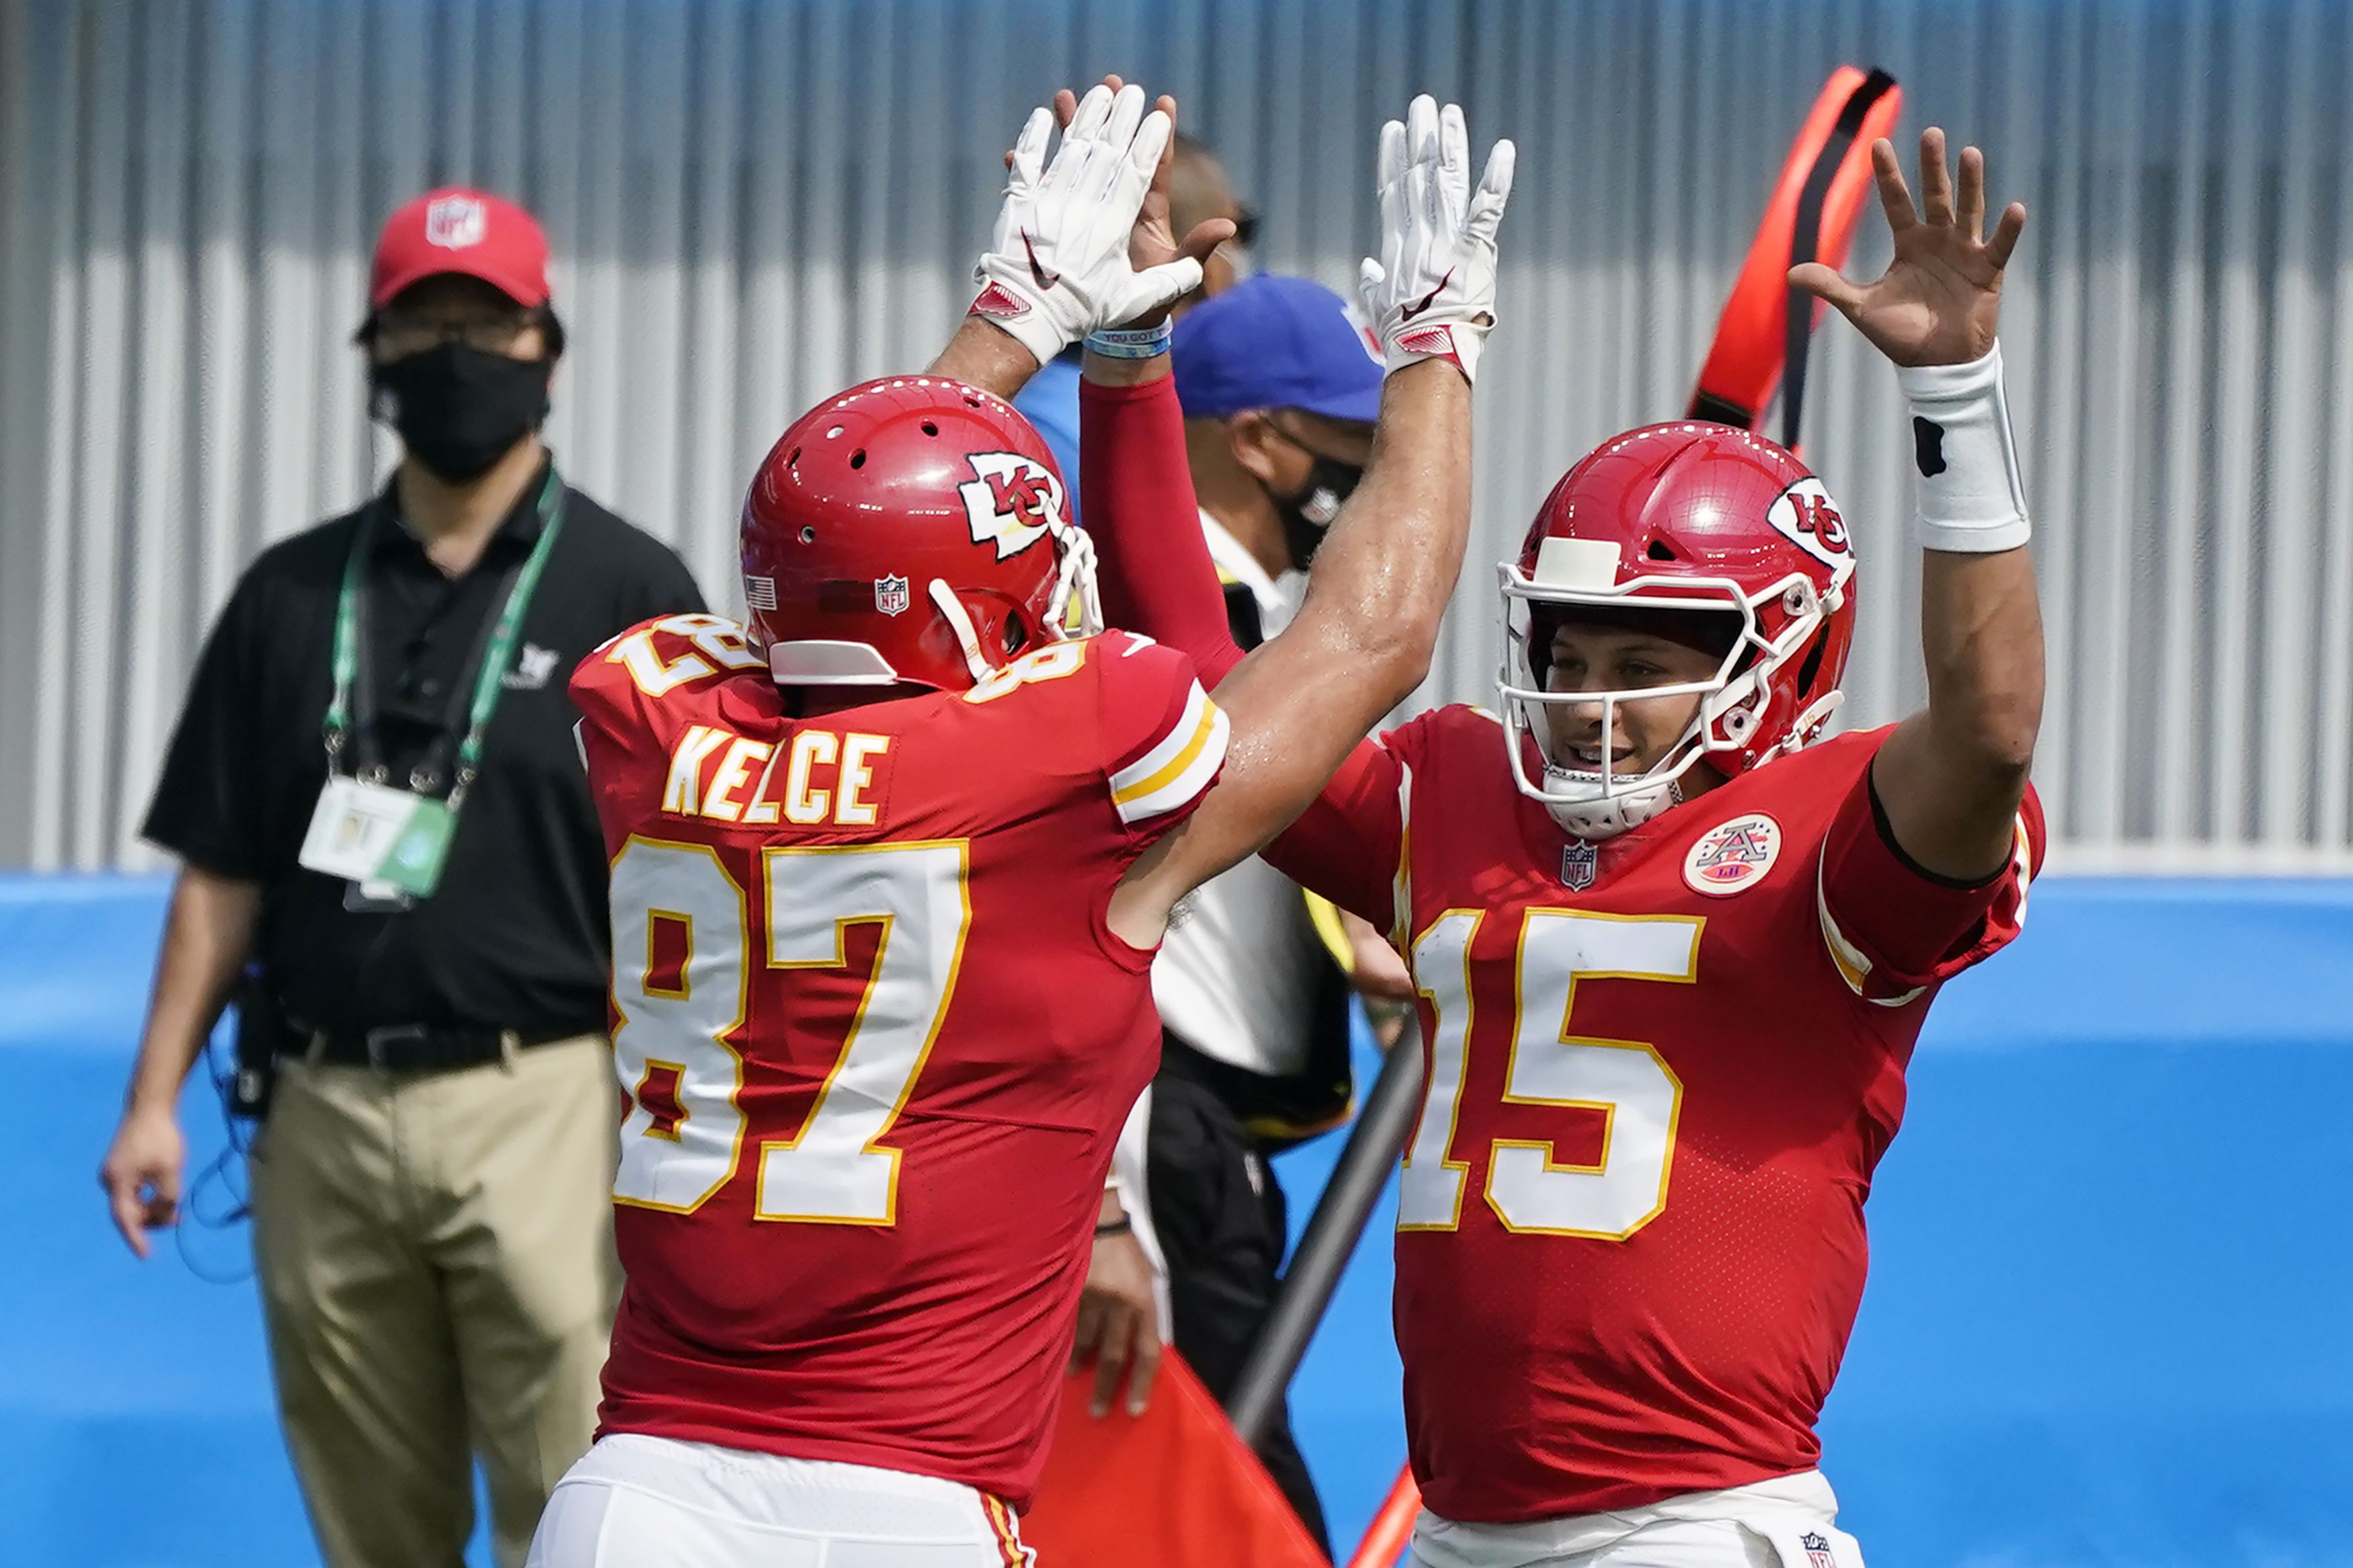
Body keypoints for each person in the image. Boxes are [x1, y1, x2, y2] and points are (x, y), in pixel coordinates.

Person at [526, 83, 1512, 1566]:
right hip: (897, 1499)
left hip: (636, 1488)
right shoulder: (1056, 782)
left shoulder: (660, 732)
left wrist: (1016, 318)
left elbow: (823, 543)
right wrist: (1434, 354)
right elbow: (1373, 630)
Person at [1088, 129, 2042, 1568]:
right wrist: (1123, 362)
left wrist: (1951, 392)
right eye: (1569, 644)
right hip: (1455, 1524)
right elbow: (1204, 681)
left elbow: (1987, 729)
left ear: (1780, 660)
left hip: (1692, 1523)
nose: (1589, 689)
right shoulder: (1461, 792)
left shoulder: (1828, 836)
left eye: (1645, 654)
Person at [97, 188, 705, 1568]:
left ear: (547, 345)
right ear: (372, 354)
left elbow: (701, 876)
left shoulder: (631, 590)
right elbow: (221, 866)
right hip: (320, 1104)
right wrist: (150, 1099)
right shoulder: (290, 594)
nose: (452, 352)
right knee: (372, 1527)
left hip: (547, 1095)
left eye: (483, 323)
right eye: (421, 323)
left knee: (578, 1504)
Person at [1096, 272, 1425, 1550]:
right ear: (1256, 442)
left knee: (1221, 1490)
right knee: (1238, 1511)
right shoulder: (1145, 627)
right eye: (1349, 443)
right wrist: (1100, 1203)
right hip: (1154, 1124)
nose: (1368, 474)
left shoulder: (1285, 619)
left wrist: (1374, 950)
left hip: (1217, 1133)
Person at [1012, 129, 1254, 511]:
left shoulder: (1039, 405)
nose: (1242, 262)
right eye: (1243, 228)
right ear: (1202, 256)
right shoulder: (1076, 435)